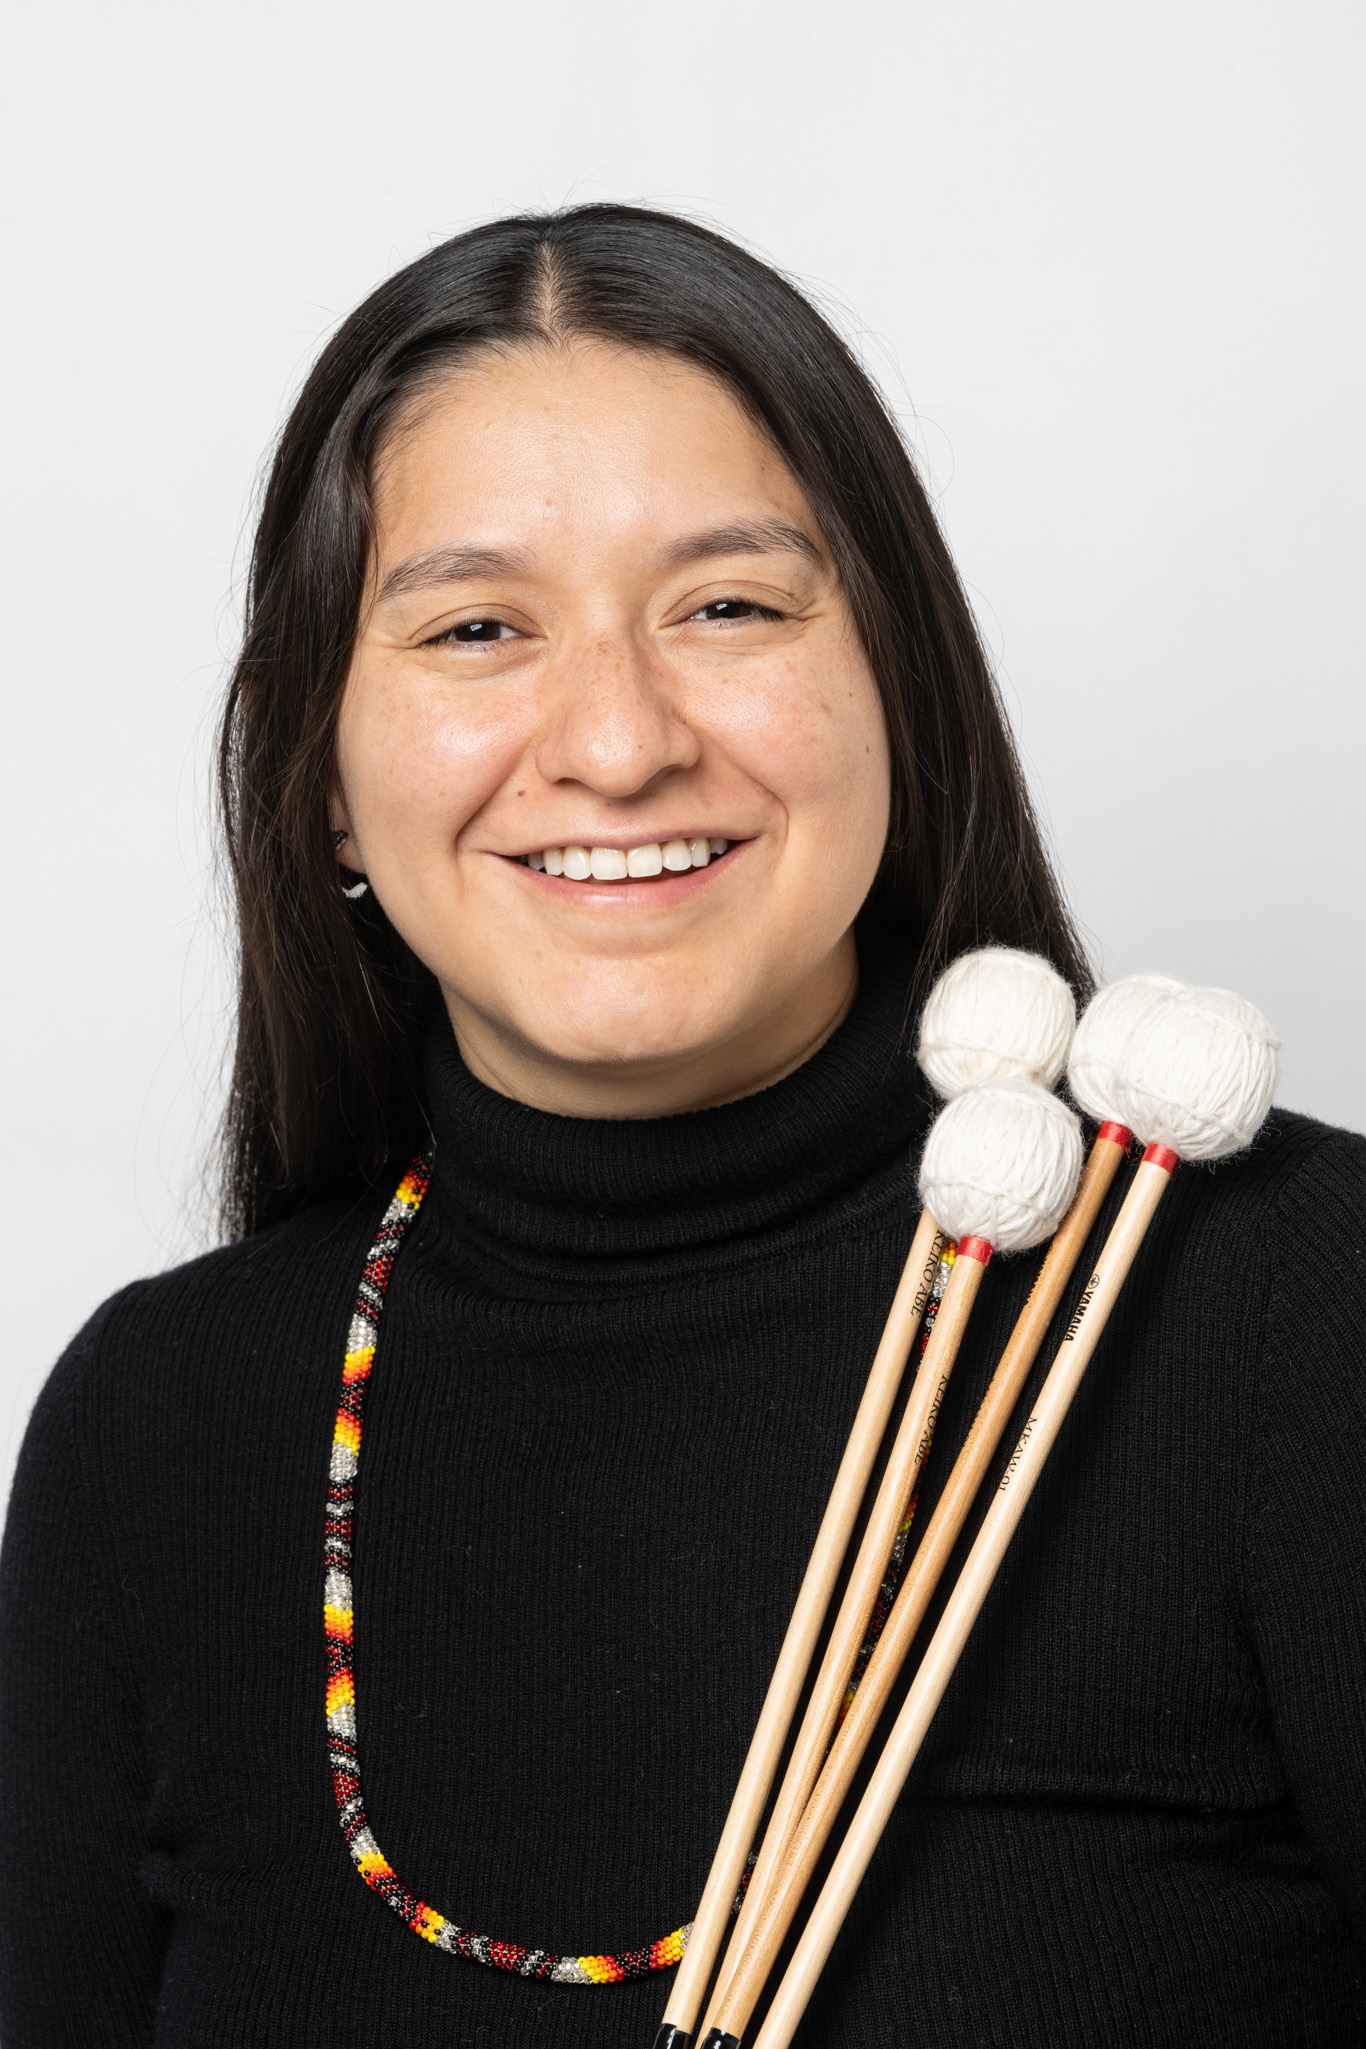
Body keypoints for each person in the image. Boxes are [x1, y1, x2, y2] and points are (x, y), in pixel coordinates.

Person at [1, 204, 1363, 2049]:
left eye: (727, 604)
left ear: (897, 678)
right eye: (477, 627)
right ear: (318, 775)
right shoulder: (156, 1425)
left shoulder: (1287, 1304)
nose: (620, 740)